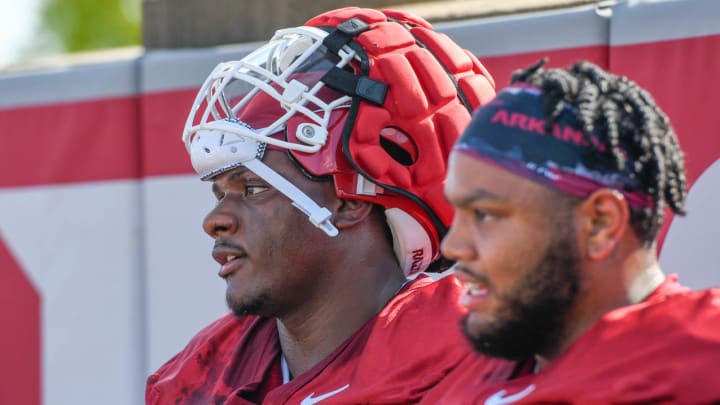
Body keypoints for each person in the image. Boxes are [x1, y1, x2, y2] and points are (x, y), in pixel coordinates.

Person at [146, 7, 501, 405]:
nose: (215, 221)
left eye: (253, 187)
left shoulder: (477, 367)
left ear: (350, 200)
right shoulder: (197, 379)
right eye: (219, 192)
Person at [421, 60, 720, 404]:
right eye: (456, 213)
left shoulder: (703, 356)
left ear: (600, 223)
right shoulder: (466, 379)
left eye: (485, 214)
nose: (454, 247)